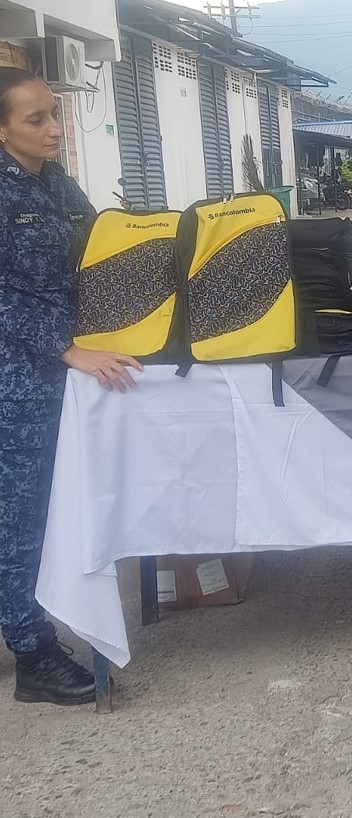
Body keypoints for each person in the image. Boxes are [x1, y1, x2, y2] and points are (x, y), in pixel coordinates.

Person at [0, 68, 142, 706]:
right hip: (18, 380)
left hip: (65, 368)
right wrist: (66, 350)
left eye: (54, 114)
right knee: (21, 519)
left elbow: (96, 252)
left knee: (54, 507)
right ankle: (32, 654)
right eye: (36, 120)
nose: (56, 129)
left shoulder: (53, 181)